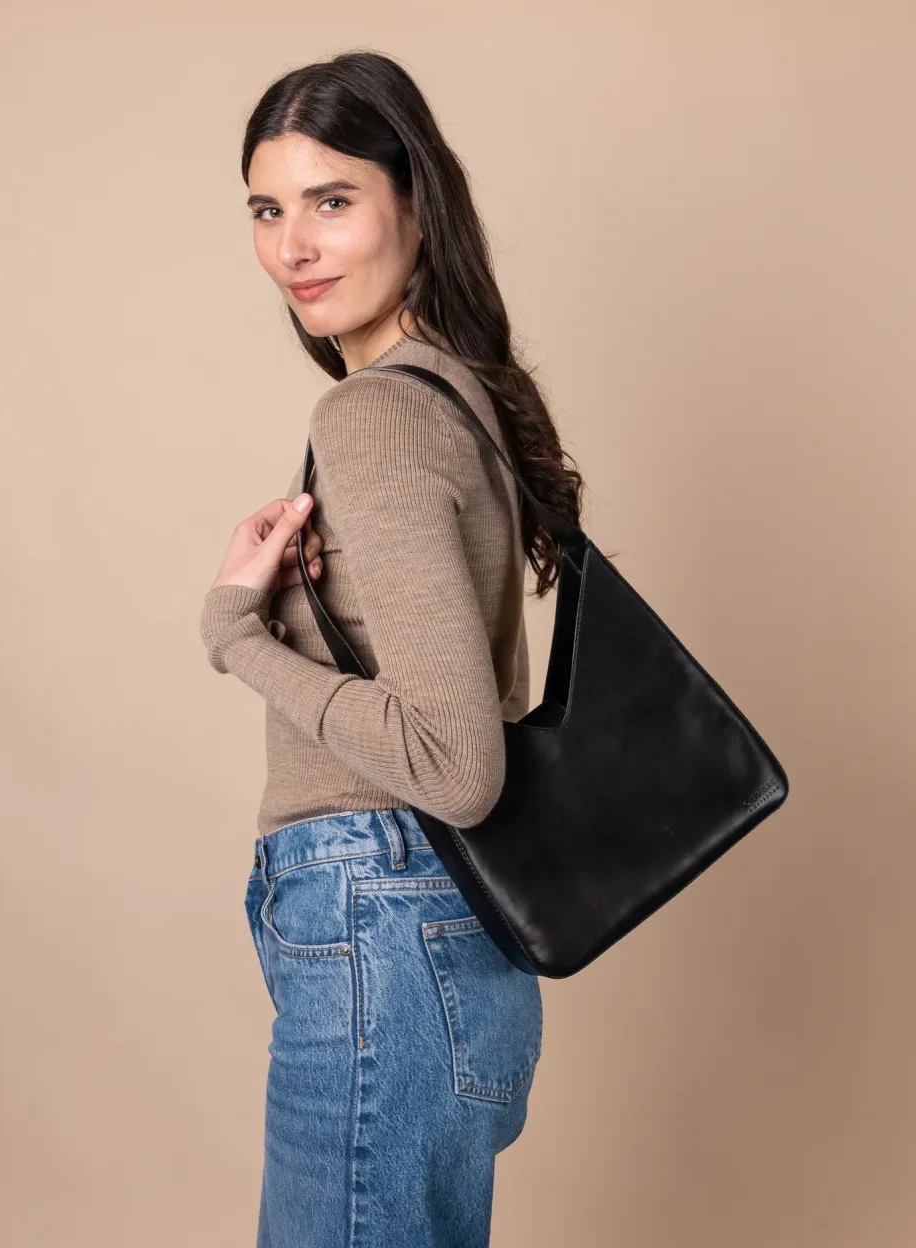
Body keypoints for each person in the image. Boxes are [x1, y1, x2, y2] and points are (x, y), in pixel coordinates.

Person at [198, 50, 584, 1248]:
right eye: (267, 210)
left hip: (380, 915)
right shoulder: (457, 396)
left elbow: (455, 765)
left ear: (415, 204)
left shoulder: (372, 414)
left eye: (332, 200)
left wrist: (238, 634)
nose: (292, 247)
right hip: (438, 933)